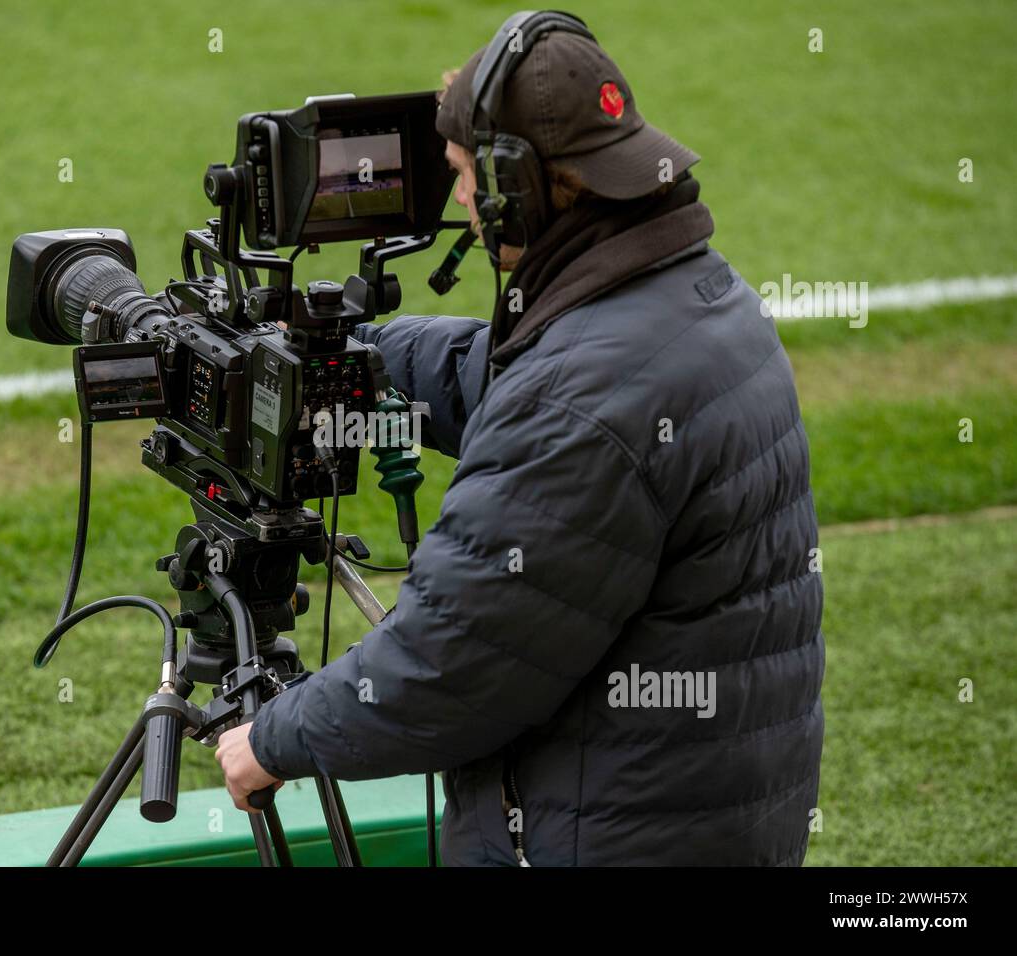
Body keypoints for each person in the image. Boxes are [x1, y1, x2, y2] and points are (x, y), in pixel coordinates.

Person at [217, 11, 824, 866]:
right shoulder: (698, 295)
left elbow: (451, 664)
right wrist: (363, 359)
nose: (459, 202)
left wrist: (271, 739)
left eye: (465, 177)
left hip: (603, 834)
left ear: (519, 186)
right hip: (704, 811)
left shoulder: (581, 396)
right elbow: (520, 386)